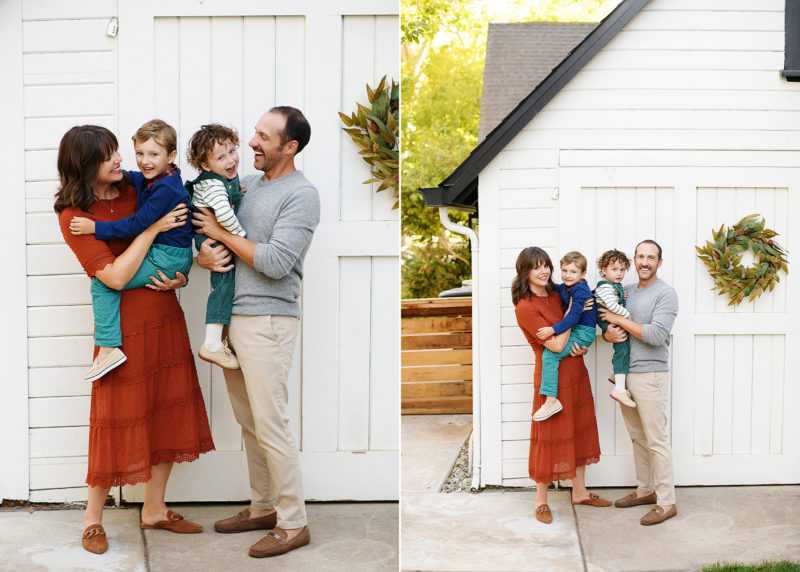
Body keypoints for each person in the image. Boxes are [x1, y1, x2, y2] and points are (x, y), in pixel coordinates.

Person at [55, 125, 214, 554]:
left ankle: (154, 510)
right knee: (114, 417)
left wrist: (183, 275)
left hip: (163, 316)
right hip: (120, 332)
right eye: (109, 156)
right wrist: (152, 228)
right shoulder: (74, 217)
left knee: (165, 408)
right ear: (86, 164)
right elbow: (115, 276)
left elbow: (176, 230)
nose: (120, 160)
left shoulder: (137, 186)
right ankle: (92, 518)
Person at [192, 106, 320, 558]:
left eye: (263, 137)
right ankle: (263, 506)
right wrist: (202, 256)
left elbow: (274, 261)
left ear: (290, 147)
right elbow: (205, 233)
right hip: (230, 318)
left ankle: (293, 522)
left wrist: (222, 237)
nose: (251, 144)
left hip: (268, 319)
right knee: (250, 423)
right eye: (254, 133)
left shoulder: (301, 195)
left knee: (272, 424)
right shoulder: (241, 185)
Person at [69, 119, 193, 382]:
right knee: (105, 281)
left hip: (167, 257)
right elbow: (134, 177)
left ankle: (107, 348)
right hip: (164, 254)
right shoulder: (157, 178)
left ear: (171, 157)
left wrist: (95, 228)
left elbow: (136, 225)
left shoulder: (165, 188)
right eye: (139, 153)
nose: (143, 161)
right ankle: (109, 347)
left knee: (101, 286)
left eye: (153, 155)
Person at [512, 247, 610, 525]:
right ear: (525, 272)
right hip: (551, 381)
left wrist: (582, 345)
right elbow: (554, 344)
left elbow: (580, 328)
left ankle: (579, 492)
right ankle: (541, 500)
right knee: (549, 435)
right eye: (536, 267)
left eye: (546, 266)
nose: (544, 272)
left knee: (579, 429)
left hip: (575, 372)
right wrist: (571, 315)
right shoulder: (525, 306)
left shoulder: (560, 291)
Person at [598, 239, 679, 526]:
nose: (645, 262)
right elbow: (607, 322)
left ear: (659, 261)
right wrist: (607, 332)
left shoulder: (666, 294)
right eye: (640, 256)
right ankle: (645, 490)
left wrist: (618, 320)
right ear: (634, 260)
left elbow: (657, 335)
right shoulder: (624, 291)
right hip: (626, 375)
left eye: (651, 257)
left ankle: (667, 501)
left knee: (657, 440)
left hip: (651, 375)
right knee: (637, 437)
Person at [184, 123, 246, 370]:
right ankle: (211, 344)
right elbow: (223, 214)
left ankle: (214, 341)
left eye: (232, 151)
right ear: (206, 166)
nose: (230, 160)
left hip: (215, 233)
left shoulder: (223, 180)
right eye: (221, 157)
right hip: (211, 238)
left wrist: (237, 193)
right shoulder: (212, 185)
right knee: (222, 286)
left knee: (224, 284)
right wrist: (241, 237)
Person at [532, 251, 597, 422]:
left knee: (550, 355)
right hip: (577, 329)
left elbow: (572, 316)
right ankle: (551, 399)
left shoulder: (581, 291)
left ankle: (551, 400)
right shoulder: (567, 287)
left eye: (573, 272)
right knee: (551, 355)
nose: (568, 275)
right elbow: (554, 289)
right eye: (564, 270)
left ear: (583, 274)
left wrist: (552, 330)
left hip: (582, 332)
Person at [594, 249, 636, 408]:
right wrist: (626, 315)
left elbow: (614, 299)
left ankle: (618, 373)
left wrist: (621, 296)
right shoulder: (605, 287)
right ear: (603, 270)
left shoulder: (613, 286)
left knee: (623, 349)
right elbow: (611, 305)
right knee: (622, 349)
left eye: (622, 269)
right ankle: (619, 388)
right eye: (614, 269)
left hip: (613, 320)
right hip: (609, 322)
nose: (619, 273)